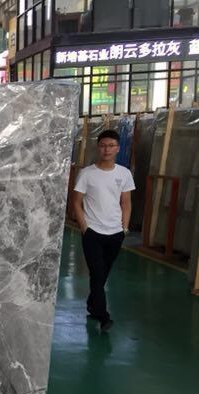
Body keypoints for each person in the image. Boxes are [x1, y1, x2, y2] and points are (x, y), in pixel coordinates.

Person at [72, 129, 134, 332]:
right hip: (93, 232)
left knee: (103, 274)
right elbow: (76, 201)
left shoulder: (124, 173)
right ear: (98, 148)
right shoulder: (87, 173)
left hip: (115, 233)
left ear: (118, 148)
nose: (107, 149)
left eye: (111, 146)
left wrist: (124, 228)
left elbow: (126, 202)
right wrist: (84, 228)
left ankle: (92, 304)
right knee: (97, 274)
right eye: (103, 145)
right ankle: (103, 316)